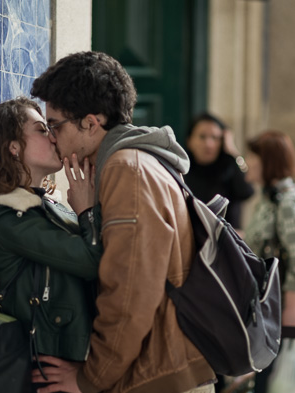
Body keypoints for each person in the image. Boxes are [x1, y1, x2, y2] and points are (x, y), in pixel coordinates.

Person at [29, 51, 216, 393]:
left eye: (55, 125)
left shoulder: (126, 170)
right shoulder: (137, 162)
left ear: (90, 122)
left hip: (158, 379)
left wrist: (89, 378)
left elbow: (130, 292)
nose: (51, 136)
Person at [0, 97, 103, 391]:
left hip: (78, 362)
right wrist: (87, 211)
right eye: (41, 129)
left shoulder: (50, 207)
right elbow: (92, 260)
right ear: (13, 147)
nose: (53, 136)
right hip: (48, 368)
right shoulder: (6, 219)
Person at [243, 130, 295, 393]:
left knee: (294, 379)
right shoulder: (269, 198)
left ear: (269, 162)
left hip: (286, 311)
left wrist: (292, 310)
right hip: (270, 309)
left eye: (253, 157)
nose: (247, 162)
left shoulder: (288, 201)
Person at [184, 113, 254, 231]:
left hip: (226, 240)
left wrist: (232, 152)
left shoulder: (229, 166)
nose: (208, 144)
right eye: (202, 137)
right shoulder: (182, 169)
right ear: (190, 141)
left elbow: (247, 192)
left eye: (215, 138)